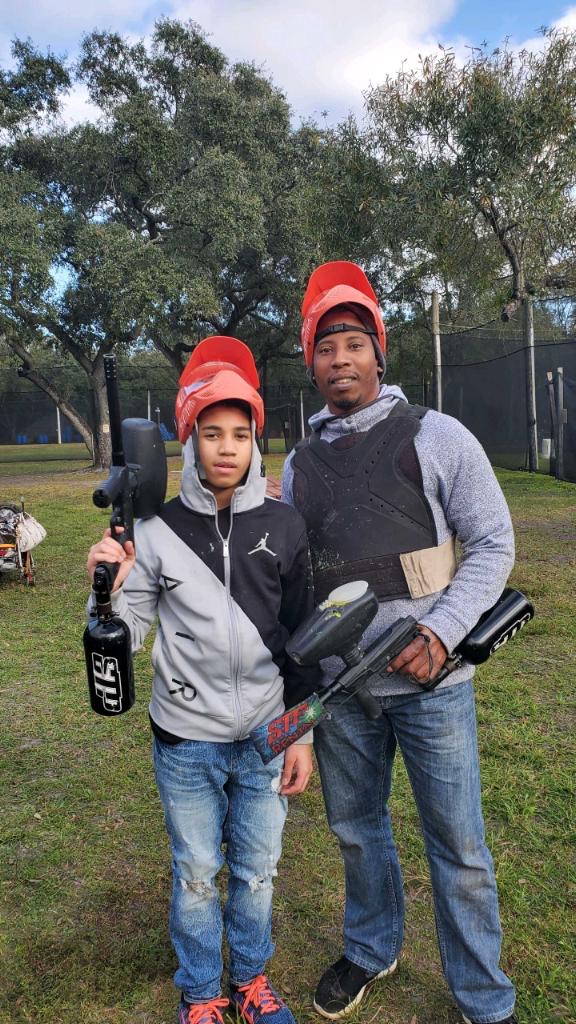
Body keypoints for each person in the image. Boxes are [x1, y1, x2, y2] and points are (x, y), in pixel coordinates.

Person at [281, 262, 518, 1024]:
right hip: (342, 690)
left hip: (431, 684)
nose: (340, 360)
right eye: (326, 348)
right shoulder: (297, 463)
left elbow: (493, 543)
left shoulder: (438, 436)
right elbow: (289, 570)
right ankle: (371, 947)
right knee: (356, 831)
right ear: (312, 365)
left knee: (461, 850)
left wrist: (442, 633)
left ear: (379, 354)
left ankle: (484, 999)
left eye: (354, 343)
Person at [87, 336, 318, 1024]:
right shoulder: (155, 530)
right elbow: (123, 629)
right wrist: (108, 587)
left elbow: (305, 643)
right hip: (184, 740)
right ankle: (202, 991)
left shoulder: (285, 522)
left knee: (256, 871)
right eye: (210, 433)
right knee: (196, 874)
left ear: (256, 442)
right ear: (187, 441)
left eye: (239, 434)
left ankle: (249, 979)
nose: (225, 447)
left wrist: (301, 735)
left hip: (267, 736)